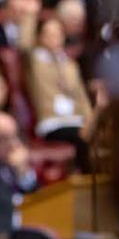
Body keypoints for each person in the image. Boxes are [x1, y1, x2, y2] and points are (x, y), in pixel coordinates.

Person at [26, 17, 95, 171]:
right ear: (39, 37)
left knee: (95, 132)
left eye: (58, 34)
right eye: (48, 34)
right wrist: (29, 14)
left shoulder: (70, 65)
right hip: (53, 122)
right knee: (82, 136)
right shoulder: (34, 60)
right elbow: (24, 43)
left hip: (76, 120)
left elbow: (82, 97)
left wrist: (91, 121)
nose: (54, 39)